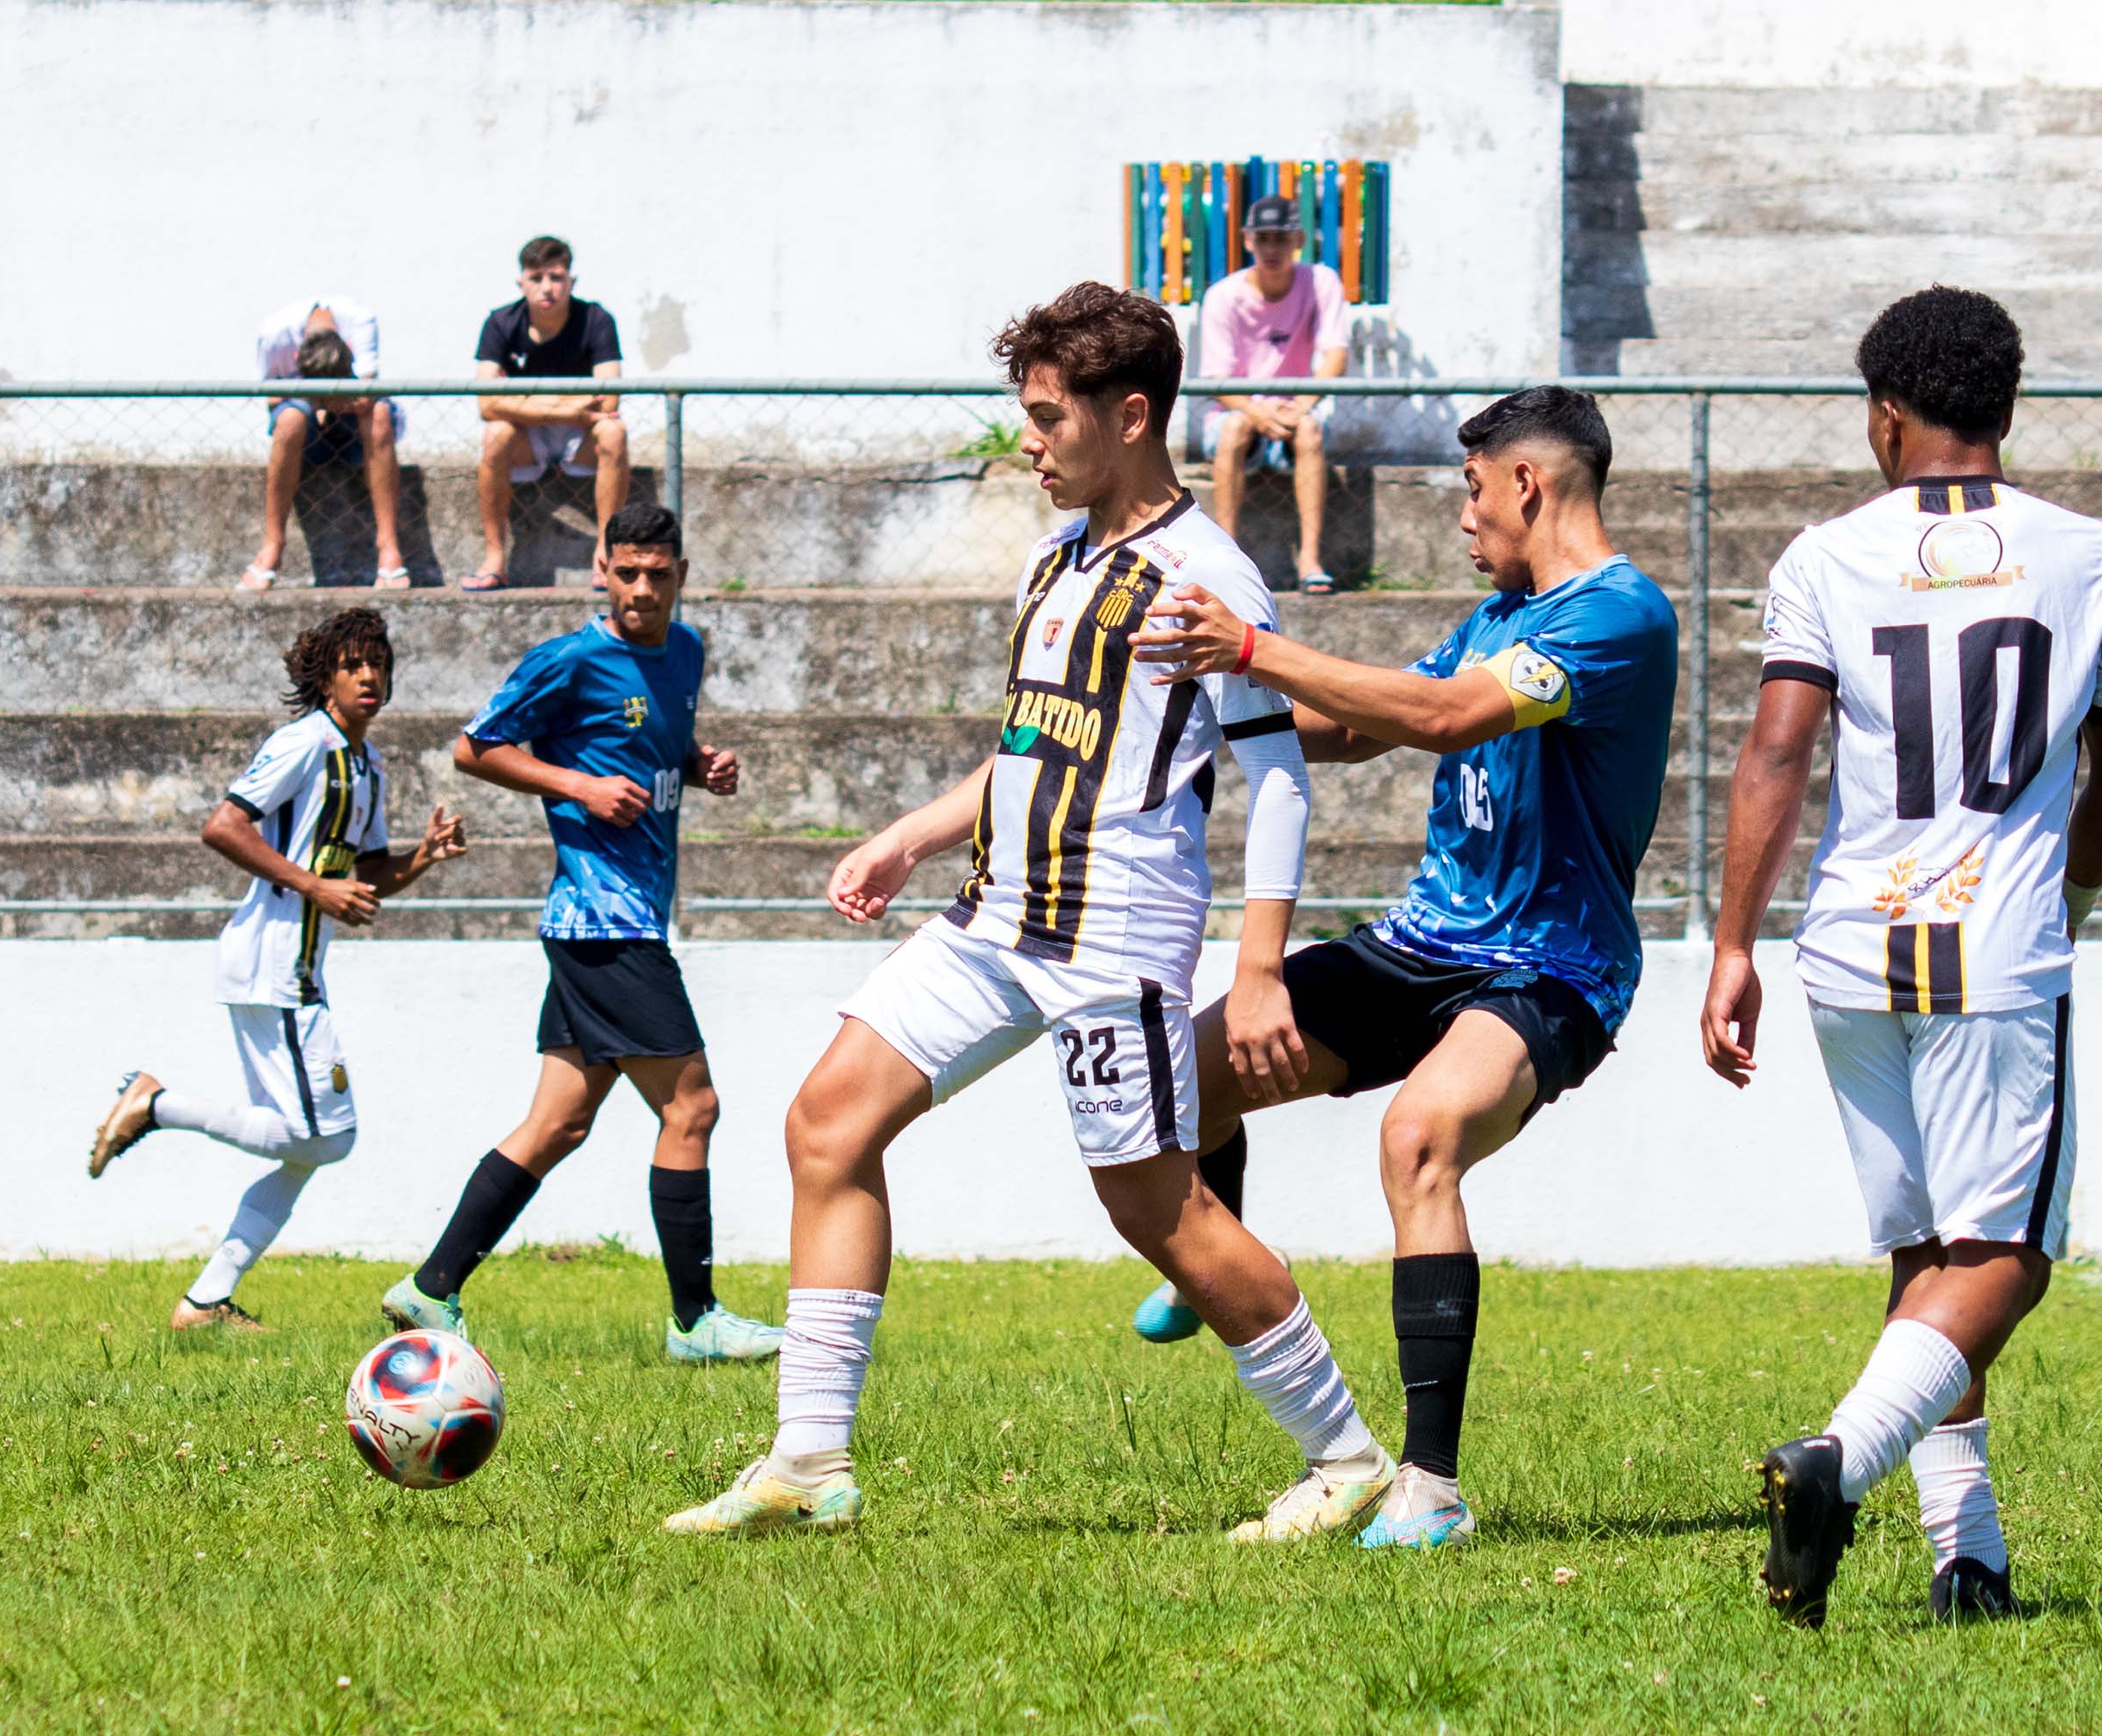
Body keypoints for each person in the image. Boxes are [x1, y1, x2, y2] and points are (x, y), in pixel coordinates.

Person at [662, 282, 1394, 1544]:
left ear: (1131, 413)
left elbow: (1274, 779)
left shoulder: (1203, 578)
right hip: (997, 915)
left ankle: (1346, 1458)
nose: (1032, 442)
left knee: (1155, 1209)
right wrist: (910, 833)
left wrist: (1261, 966)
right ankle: (808, 1460)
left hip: (1116, 934)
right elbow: (1030, 748)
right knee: (827, 1123)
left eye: (1051, 418)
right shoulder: (1052, 560)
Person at [1126, 385, 1677, 1549]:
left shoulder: (1618, 617)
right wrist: (1205, 700)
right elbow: (1358, 724)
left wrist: (1257, 645)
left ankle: (1430, 1486)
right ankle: (1207, 1258)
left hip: (1549, 967)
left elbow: (1438, 718)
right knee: (1192, 1070)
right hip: (1422, 942)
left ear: (1527, 484)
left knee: (1418, 1136)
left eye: (1472, 491)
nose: (1463, 516)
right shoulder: (1496, 615)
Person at [1698, 286, 2102, 1628]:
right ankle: (1839, 1457)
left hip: (1851, 948)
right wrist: (2062, 890)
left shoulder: (1825, 555)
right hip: (1998, 946)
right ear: (2006, 412)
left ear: (1885, 417)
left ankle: (1971, 1561)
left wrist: (1732, 943)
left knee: (1928, 1258)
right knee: (2007, 1256)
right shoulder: (2090, 555)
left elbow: (1778, 752)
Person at [379, 503, 783, 1364]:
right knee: (693, 1106)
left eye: (658, 573)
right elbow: (475, 748)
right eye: (625, 571)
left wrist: (696, 764)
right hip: (606, 921)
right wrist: (578, 787)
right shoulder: (568, 658)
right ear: (601, 569)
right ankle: (695, 1318)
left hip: (611, 921)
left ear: (680, 572)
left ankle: (429, 1287)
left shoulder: (686, 651)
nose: (641, 588)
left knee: (558, 1123)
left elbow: (648, 742)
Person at [89, 608, 465, 1328]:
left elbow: (365, 872)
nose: (368, 676)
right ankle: (156, 1104)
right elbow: (224, 825)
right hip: (273, 964)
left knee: (307, 1144)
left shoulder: (368, 764)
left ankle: (206, 1299)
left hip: (295, 970)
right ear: (325, 677)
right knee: (327, 1137)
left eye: (378, 664)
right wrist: (313, 885)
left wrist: (424, 856)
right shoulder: (303, 744)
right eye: (353, 664)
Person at [1197, 194, 1352, 593]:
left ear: (1297, 239)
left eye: (1280, 239)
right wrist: (1256, 414)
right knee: (1233, 430)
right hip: (1238, 414)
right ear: (1248, 241)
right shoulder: (1223, 296)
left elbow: (1336, 352)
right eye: (1263, 238)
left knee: (1311, 431)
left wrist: (1301, 405)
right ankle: (1226, 556)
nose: (1271, 248)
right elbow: (1217, 378)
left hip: (1295, 410)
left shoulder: (1321, 282)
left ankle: (1311, 560)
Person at [464, 236, 628, 593]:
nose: (547, 288)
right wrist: (570, 406)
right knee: (495, 433)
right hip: (532, 436)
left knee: (614, 433)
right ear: (521, 283)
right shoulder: (500, 323)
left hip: (580, 436)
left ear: (571, 282)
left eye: (556, 277)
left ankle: (605, 553)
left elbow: (609, 402)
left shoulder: (596, 320)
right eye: (536, 278)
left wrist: (521, 400)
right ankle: (494, 557)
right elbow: (486, 405)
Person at [246, 299, 407, 590]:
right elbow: (271, 397)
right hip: (302, 420)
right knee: (290, 419)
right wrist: (315, 402)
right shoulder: (274, 335)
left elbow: (368, 395)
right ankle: (272, 546)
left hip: (352, 420)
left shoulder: (361, 323)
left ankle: (389, 550)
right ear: (296, 356)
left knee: (380, 413)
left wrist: (336, 402)